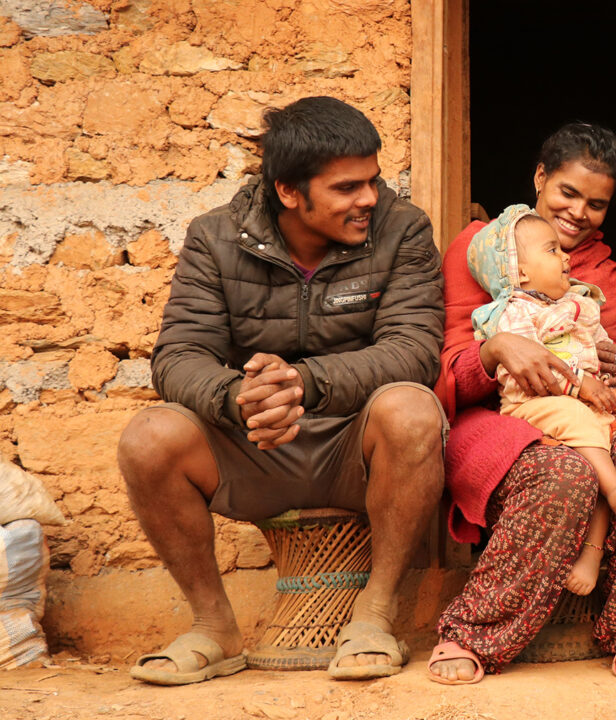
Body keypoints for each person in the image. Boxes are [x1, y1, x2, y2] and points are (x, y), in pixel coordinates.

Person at [116, 96, 447, 685]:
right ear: (289, 191)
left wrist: (305, 383)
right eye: (346, 188)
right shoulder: (215, 237)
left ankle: (374, 617)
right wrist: (239, 399)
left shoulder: (404, 229)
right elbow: (179, 354)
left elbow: (413, 350)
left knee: (413, 410)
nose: (369, 198)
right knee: (148, 436)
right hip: (257, 444)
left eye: (372, 180)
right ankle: (214, 627)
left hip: (355, 448)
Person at [428, 123, 616, 685]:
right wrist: (494, 350)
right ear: (540, 177)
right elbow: (445, 368)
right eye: (568, 192)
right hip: (499, 418)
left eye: (597, 204)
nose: (578, 213)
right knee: (562, 472)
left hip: (595, 413)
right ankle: (474, 632)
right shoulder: (484, 250)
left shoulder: (610, 281)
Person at [466, 205, 616, 595]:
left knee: (603, 453)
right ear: (520, 272)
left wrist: (611, 384)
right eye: (552, 250)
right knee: (590, 440)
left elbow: (600, 347)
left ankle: (592, 553)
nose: (566, 257)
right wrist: (583, 387)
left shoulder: (579, 304)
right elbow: (527, 372)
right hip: (534, 404)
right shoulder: (512, 314)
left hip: (579, 409)